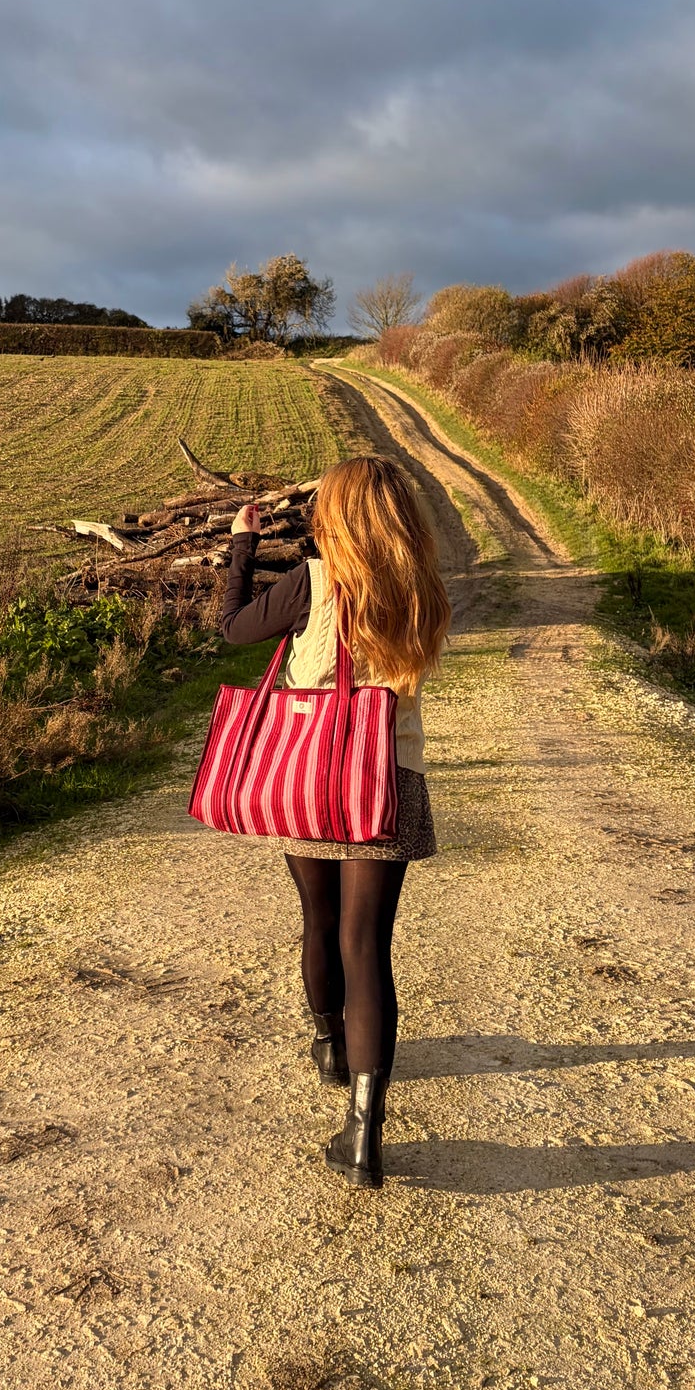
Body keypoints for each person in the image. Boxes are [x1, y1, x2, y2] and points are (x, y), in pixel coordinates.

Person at [220, 455, 451, 1189]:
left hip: (310, 774)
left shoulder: (312, 582)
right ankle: (363, 1132)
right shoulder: (420, 589)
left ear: (336, 515)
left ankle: (327, 1044)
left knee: (318, 922)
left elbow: (232, 629)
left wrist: (241, 545)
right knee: (368, 946)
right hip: (387, 779)